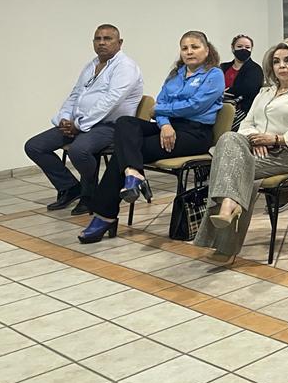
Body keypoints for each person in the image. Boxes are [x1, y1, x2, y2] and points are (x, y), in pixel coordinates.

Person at [80, 31, 225, 243]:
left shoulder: (214, 74)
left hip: (195, 133)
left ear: (207, 50)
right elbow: (160, 102)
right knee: (125, 123)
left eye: (195, 47)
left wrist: (161, 112)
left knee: (123, 152)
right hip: (168, 127)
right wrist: (164, 124)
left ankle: (105, 215)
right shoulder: (176, 74)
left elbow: (195, 106)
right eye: (184, 48)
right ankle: (133, 173)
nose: (189, 52)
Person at [194, 39, 288, 262]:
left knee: (228, 167)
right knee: (228, 138)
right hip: (255, 149)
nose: (282, 65)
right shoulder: (265, 92)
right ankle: (230, 206)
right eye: (276, 61)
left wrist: (275, 139)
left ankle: (227, 222)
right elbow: (247, 124)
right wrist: (256, 140)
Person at [25, 24, 143, 216]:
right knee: (34, 146)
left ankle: (91, 193)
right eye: (98, 39)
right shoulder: (91, 65)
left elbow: (110, 101)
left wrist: (79, 125)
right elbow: (75, 95)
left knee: (79, 150)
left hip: (111, 127)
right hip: (80, 124)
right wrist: (64, 118)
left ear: (119, 42)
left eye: (107, 39)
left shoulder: (125, 67)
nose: (102, 43)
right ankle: (70, 187)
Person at [222, 34, 264, 130]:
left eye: (247, 47)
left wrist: (223, 93)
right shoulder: (223, 67)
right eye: (239, 46)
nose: (243, 49)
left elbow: (248, 90)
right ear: (232, 48)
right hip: (218, 106)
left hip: (243, 111)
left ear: (251, 49)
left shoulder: (256, 69)